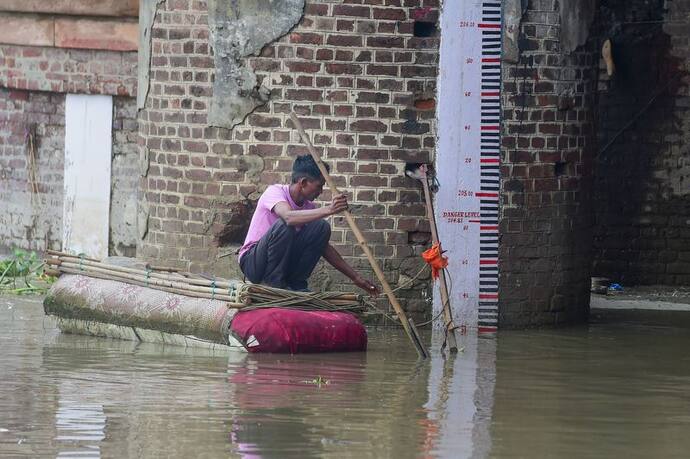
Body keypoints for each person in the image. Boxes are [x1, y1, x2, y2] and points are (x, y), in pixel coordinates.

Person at [238, 155, 380, 296]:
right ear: (304, 182)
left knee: (321, 227)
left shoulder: (308, 207)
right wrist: (330, 209)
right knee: (285, 225)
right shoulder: (275, 192)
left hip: (282, 265)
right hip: (253, 263)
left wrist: (356, 278)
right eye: (319, 186)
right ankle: (273, 284)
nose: (320, 192)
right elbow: (288, 217)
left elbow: (324, 247)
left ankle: (296, 283)